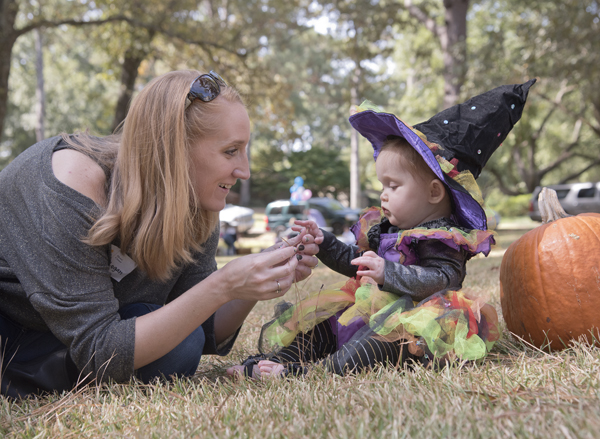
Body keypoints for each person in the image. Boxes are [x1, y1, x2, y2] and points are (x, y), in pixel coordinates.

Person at [0, 70, 320, 399]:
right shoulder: (72, 180)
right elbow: (100, 348)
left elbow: (204, 328)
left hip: (71, 345)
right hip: (13, 329)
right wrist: (221, 284)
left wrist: (261, 273)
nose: (244, 170)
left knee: (182, 344)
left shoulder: (197, 203)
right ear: (174, 149)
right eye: (230, 151)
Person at [228, 79, 536, 379]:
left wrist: (387, 273)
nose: (383, 195)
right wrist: (324, 243)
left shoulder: (443, 239)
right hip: (371, 309)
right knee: (324, 326)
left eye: (393, 185)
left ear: (433, 193)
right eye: (382, 185)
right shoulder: (386, 228)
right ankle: (279, 360)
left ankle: (310, 373)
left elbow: (439, 279)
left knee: (374, 345)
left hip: (416, 323)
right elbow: (358, 263)